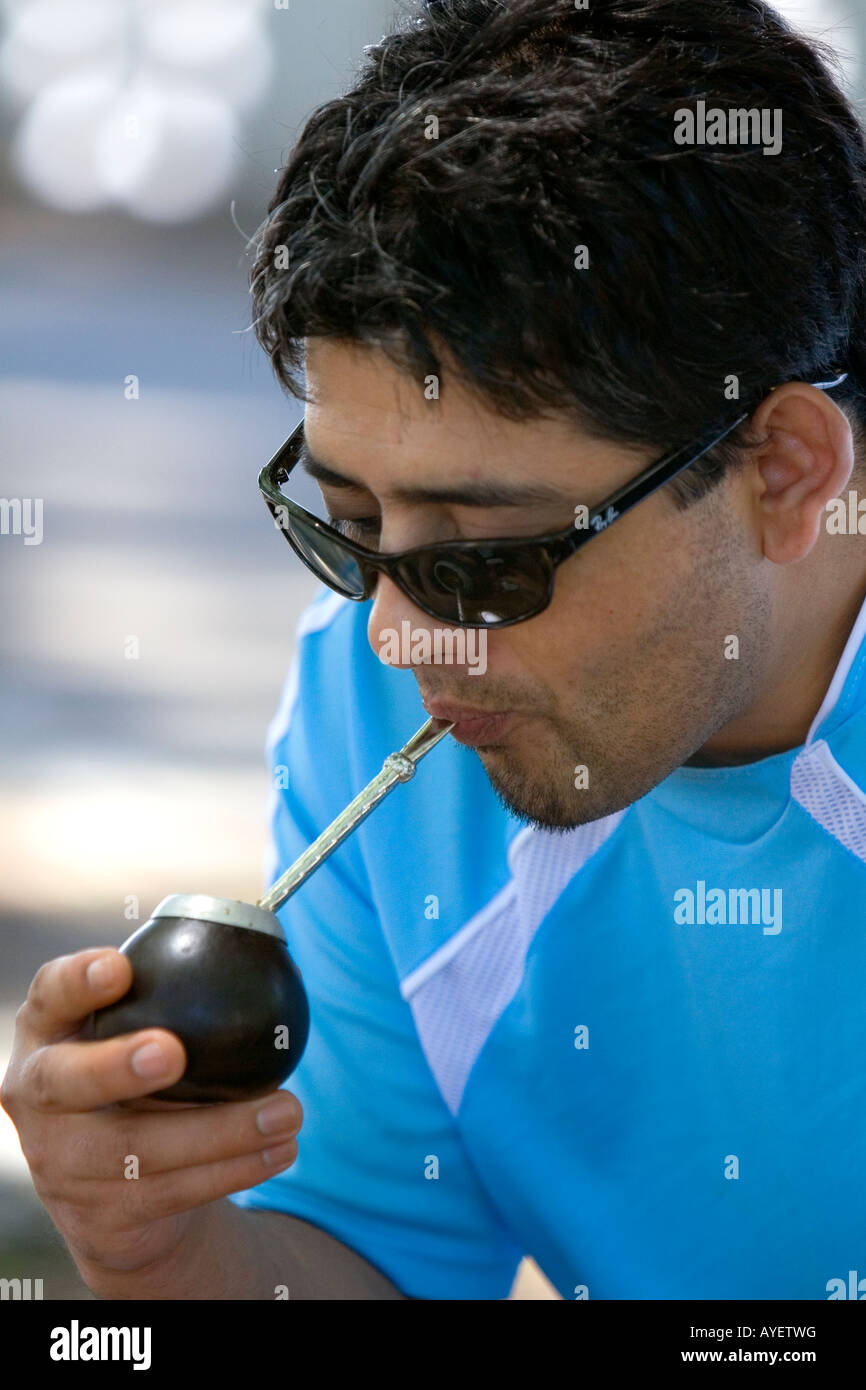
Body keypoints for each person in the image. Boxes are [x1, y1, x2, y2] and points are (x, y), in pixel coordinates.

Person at [4, 0, 866, 1300]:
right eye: (347, 525)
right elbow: (376, 1254)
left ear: (785, 473)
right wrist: (164, 1245)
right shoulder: (365, 698)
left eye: (485, 559)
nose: (396, 631)